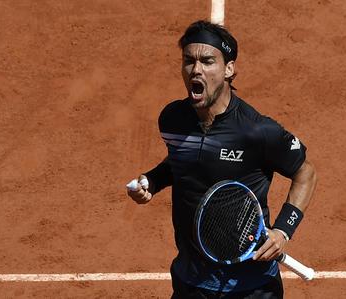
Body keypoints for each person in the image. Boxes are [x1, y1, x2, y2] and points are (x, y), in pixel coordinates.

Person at [127, 20, 317, 299]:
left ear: (229, 69)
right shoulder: (173, 120)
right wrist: (152, 181)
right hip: (191, 280)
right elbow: (182, 162)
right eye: (189, 61)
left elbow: (305, 172)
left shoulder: (256, 131)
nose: (196, 69)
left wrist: (282, 231)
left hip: (251, 286)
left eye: (207, 61)